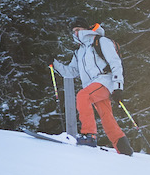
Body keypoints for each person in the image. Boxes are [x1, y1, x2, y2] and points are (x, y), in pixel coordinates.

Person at [53, 23, 132, 156]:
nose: (76, 33)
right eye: (74, 31)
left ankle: (89, 135)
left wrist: (118, 86)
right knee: (107, 116)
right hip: (92, 86)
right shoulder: (79, 51)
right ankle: (123, 147)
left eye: (78, 30)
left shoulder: (101, 41)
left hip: (105, 81)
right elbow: (71, 72)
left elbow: (115, 62)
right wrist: (54, 63)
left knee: (83, 96)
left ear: (86, 29)